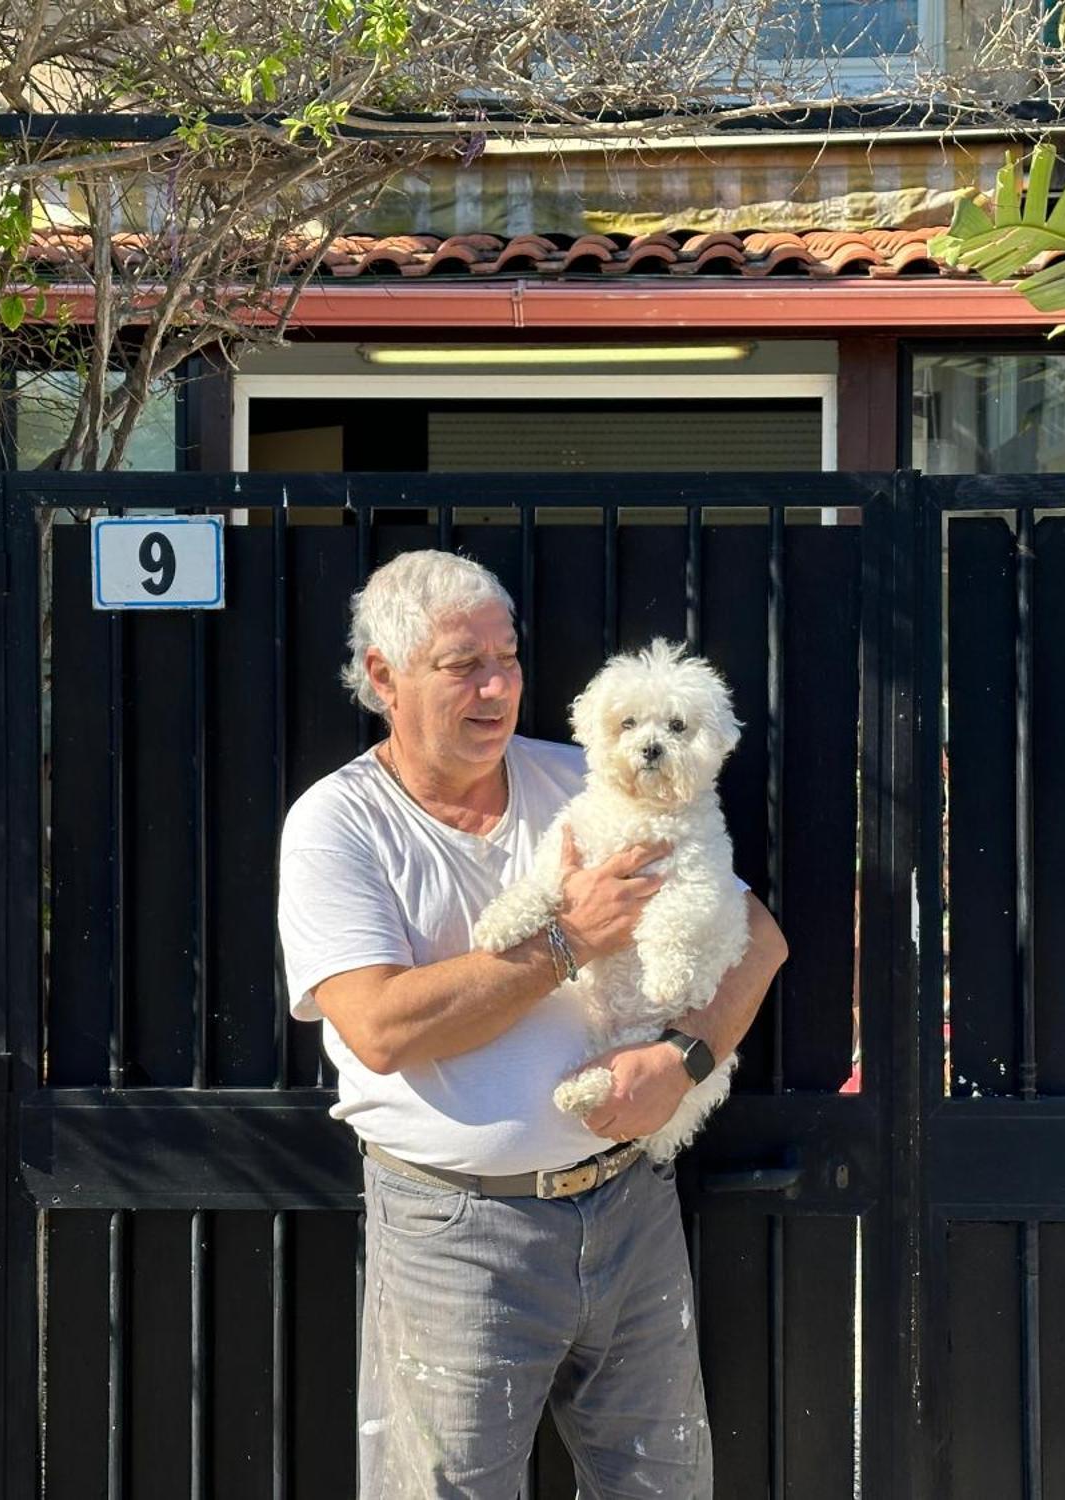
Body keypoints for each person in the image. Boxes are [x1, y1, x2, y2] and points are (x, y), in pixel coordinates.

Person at [277, 549, 788, 1499]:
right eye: (461, 664)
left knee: (666, 1486)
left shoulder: (591, 781)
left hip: (626, 1204)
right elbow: (381, 1028)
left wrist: (683, 1060)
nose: (496, 685)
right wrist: (568, 940)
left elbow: (758, 941)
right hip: (455, 1231)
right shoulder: (338, 825)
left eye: (506, 658)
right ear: (383, 677)